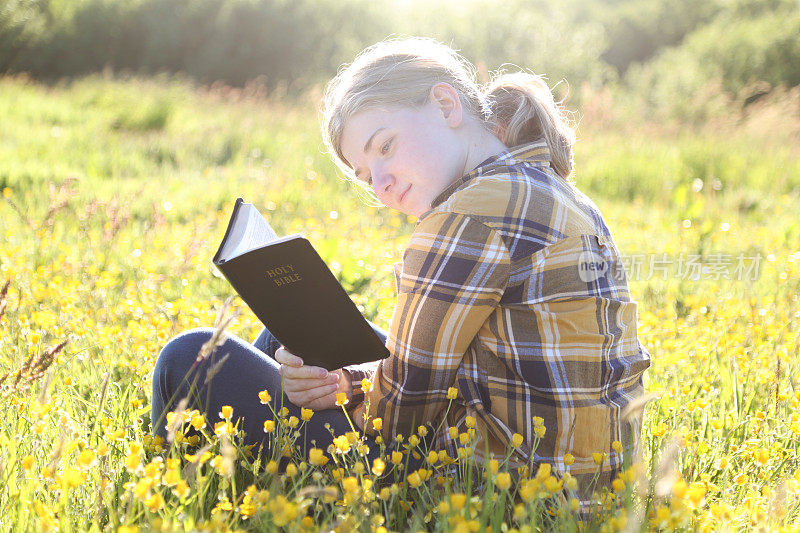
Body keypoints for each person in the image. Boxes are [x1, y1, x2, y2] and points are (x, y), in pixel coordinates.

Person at [151, 37, 650, 509]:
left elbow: (401, 423)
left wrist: (345, 387)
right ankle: (234, 473)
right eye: (365, 177)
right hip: (595, 485)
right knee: (281, 337)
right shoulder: (554, 190)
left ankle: (170, 492)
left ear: (446, 105)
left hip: (497, 494)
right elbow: (447, 368)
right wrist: (345, 381)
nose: (383, 185)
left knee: (189, 357)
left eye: (385, 146)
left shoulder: (466, 216)